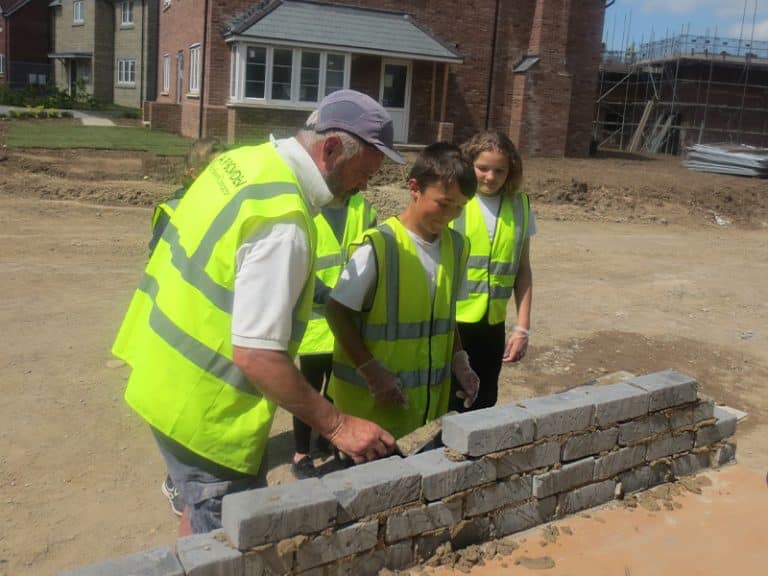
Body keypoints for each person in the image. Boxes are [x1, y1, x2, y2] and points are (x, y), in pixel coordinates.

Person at [112, 89, 401, 535]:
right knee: (226, 542)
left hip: (161, 375)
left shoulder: (243, 162)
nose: (367, 186)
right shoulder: (283, 223)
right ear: (330, 150)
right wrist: (339, 426)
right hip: (208, 410)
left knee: (198, 513)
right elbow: (256, 354)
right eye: (366, 172)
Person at [325, 142, 481, 441]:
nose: (450, 215)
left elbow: (445, 319)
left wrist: (460, 361)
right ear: (414, 188)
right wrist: (372, 372)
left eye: (460, 207)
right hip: (368, 418)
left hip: (424, 416)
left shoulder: (457, 246)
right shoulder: (380, 246)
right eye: (443, 203)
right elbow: (337, 312)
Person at [292, 187, 377, 479]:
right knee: (308, 390)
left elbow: (373, 253)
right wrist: (329, 296)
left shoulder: (363, 209)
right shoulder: (306, 207)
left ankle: (330, 437)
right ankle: (301, 452)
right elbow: (297, 262)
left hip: (347, 324)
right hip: (315, 324)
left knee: (340, 388)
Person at [448, 131, 535, 412]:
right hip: (452, 324)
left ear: (511, 171)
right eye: (482, 168)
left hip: (492, 325)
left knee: (485, 400)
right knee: (450, 400)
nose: (490, 176)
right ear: (468, 163)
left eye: (499, 170)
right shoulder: (453, 200)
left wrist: (522, 327)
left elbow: (523, 270)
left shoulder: (520, 206)